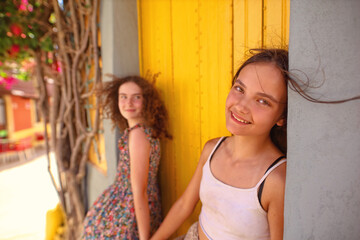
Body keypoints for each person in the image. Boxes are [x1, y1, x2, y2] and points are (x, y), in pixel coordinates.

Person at [151, 49, 290, 240]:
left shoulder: (275, 180)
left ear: (281, 117)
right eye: (239, 89)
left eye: (262, 101)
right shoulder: (212, 149)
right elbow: (185, 205)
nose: (241, 106)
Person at [82, 75, 171, 240]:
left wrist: (145, 238)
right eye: (123, 97)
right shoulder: (141, 131)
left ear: (147, 101)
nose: (128, 103)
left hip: (130, 213)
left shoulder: (138, 135)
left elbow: (139, 191)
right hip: (127, 207)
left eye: (136, 97)